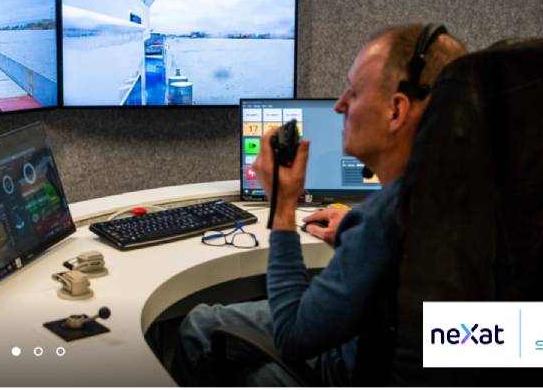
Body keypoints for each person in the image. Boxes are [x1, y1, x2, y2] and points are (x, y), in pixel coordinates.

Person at [171, 24, 467, 386]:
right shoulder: (470, 194)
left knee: (202, 328)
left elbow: (294, 337)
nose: (340, 104)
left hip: (348, 365)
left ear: (396, 111)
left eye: (354, 93)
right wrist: (354, 232)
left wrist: (282, 206)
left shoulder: (384, 219)